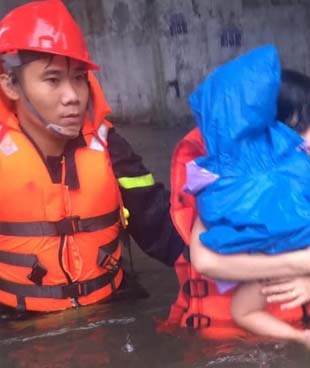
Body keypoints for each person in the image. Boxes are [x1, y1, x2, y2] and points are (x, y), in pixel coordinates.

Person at [165, 67, 310, 349]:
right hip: (230, 344)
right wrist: (301, 265)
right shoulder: (231, 187)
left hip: (291, 315)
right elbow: (205, 261)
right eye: (300, 129)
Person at [0, 0, 184, 313]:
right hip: (17, 317)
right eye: (53, 80)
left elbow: (162, 226)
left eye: (79, 78)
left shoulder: (110, 147)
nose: (72, 96)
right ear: (11, 86)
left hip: (109, 304)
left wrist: (229, 261)